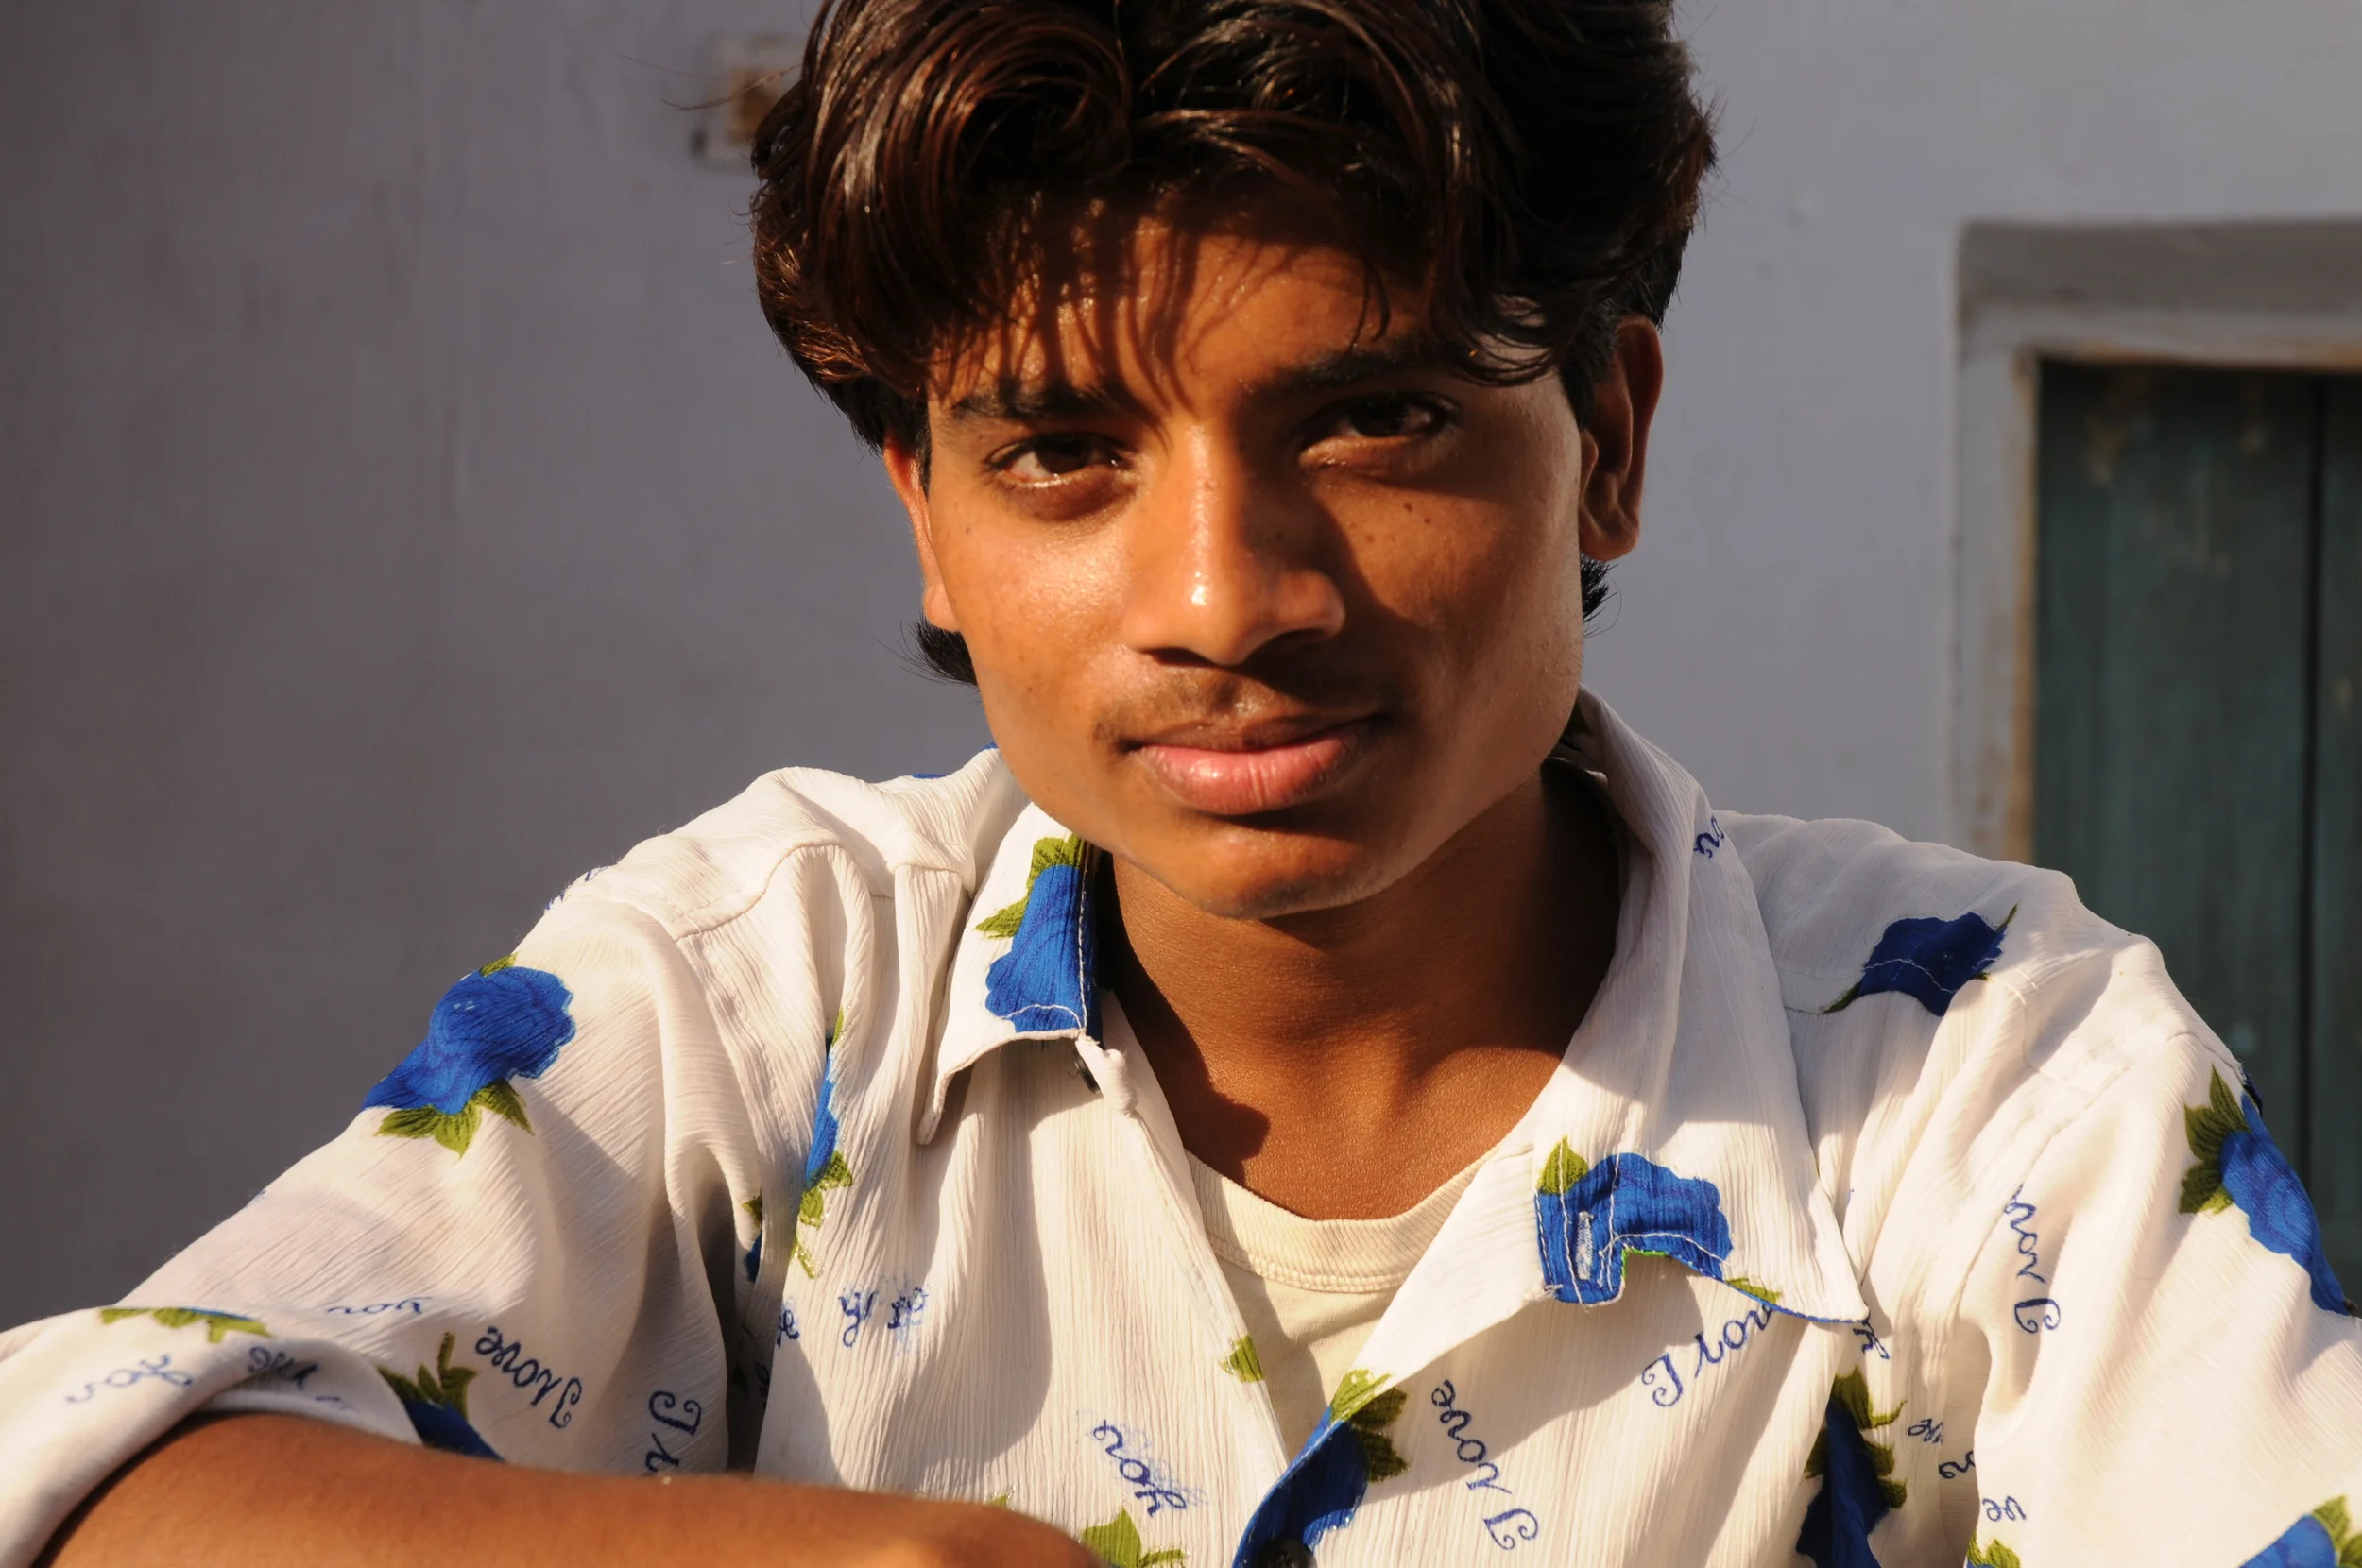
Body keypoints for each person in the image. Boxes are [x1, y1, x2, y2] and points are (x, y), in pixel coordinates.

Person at [5, 0, 2358, 1563]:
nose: (1224, 591)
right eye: (1061, 452)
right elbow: (93, 1473)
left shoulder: (1986, 1085)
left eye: (1374, 415)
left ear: (1608, 442)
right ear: (925, 517)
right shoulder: (754, 993)